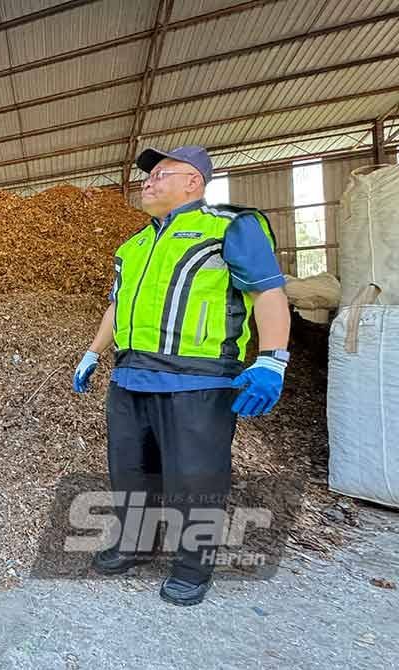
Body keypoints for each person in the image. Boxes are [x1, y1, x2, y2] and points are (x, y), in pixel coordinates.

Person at [72, 145, 291, 606]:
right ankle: (134, 543)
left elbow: (268, 291)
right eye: (146, 177)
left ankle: (193, 567)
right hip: (130, 379)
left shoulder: (230, 227)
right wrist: (93, 353)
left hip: (200, 381)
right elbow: (117, 305)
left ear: (194, 181)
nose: (147, 182)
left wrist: (272, 359)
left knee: (195, 478)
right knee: (130, 472)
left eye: (160, 174)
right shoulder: (132, 246)